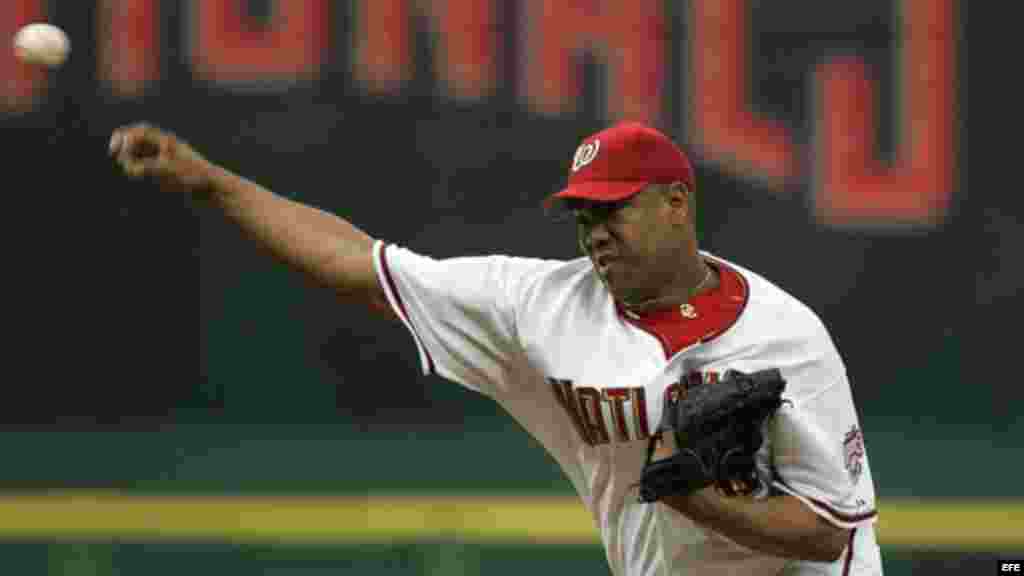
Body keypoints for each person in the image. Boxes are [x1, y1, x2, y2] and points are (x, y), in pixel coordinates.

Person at [109, 120, 882, 575]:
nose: (595, 232)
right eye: (583, 216)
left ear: (678, 204)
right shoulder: (541, 307)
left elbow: (827, 529)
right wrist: (211, 181)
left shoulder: (786, 336)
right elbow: (357, 265)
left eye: (615, 209)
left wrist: (697, 499)